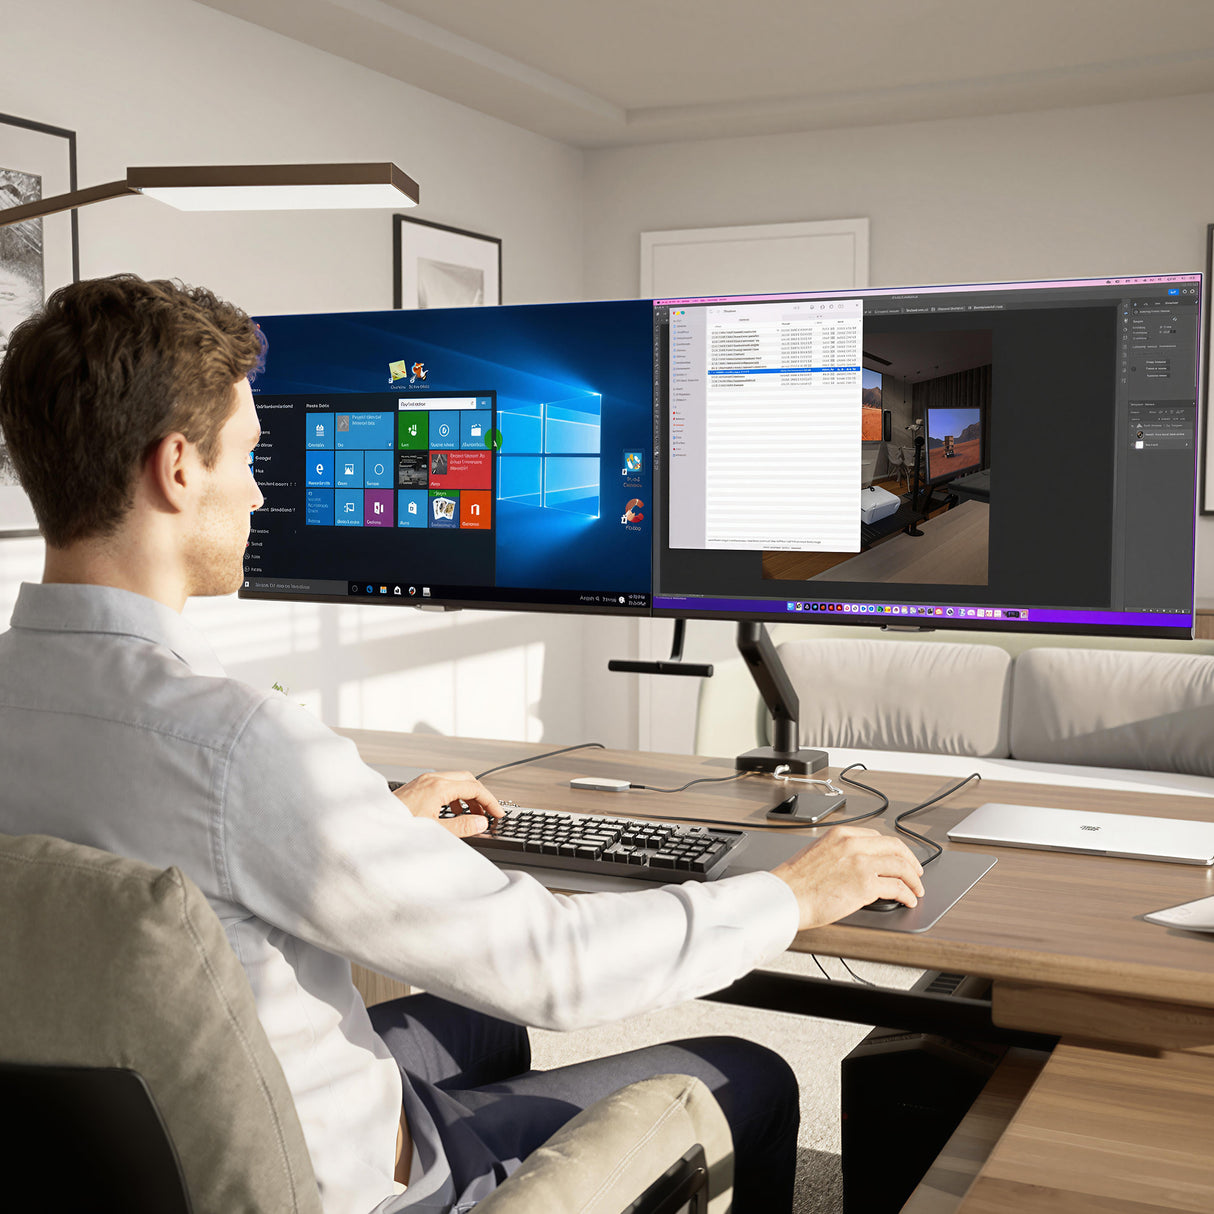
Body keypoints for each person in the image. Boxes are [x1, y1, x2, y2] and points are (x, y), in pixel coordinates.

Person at [0, 275, 924, 1214]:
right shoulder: (238, 746)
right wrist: (789, 894)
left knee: (471, 1024)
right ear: (178, 468)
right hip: (343, 1186)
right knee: (746, 1069)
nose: (259, 488)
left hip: (124, 1153)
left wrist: (369, 829)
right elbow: (551, 965)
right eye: (248, 454)